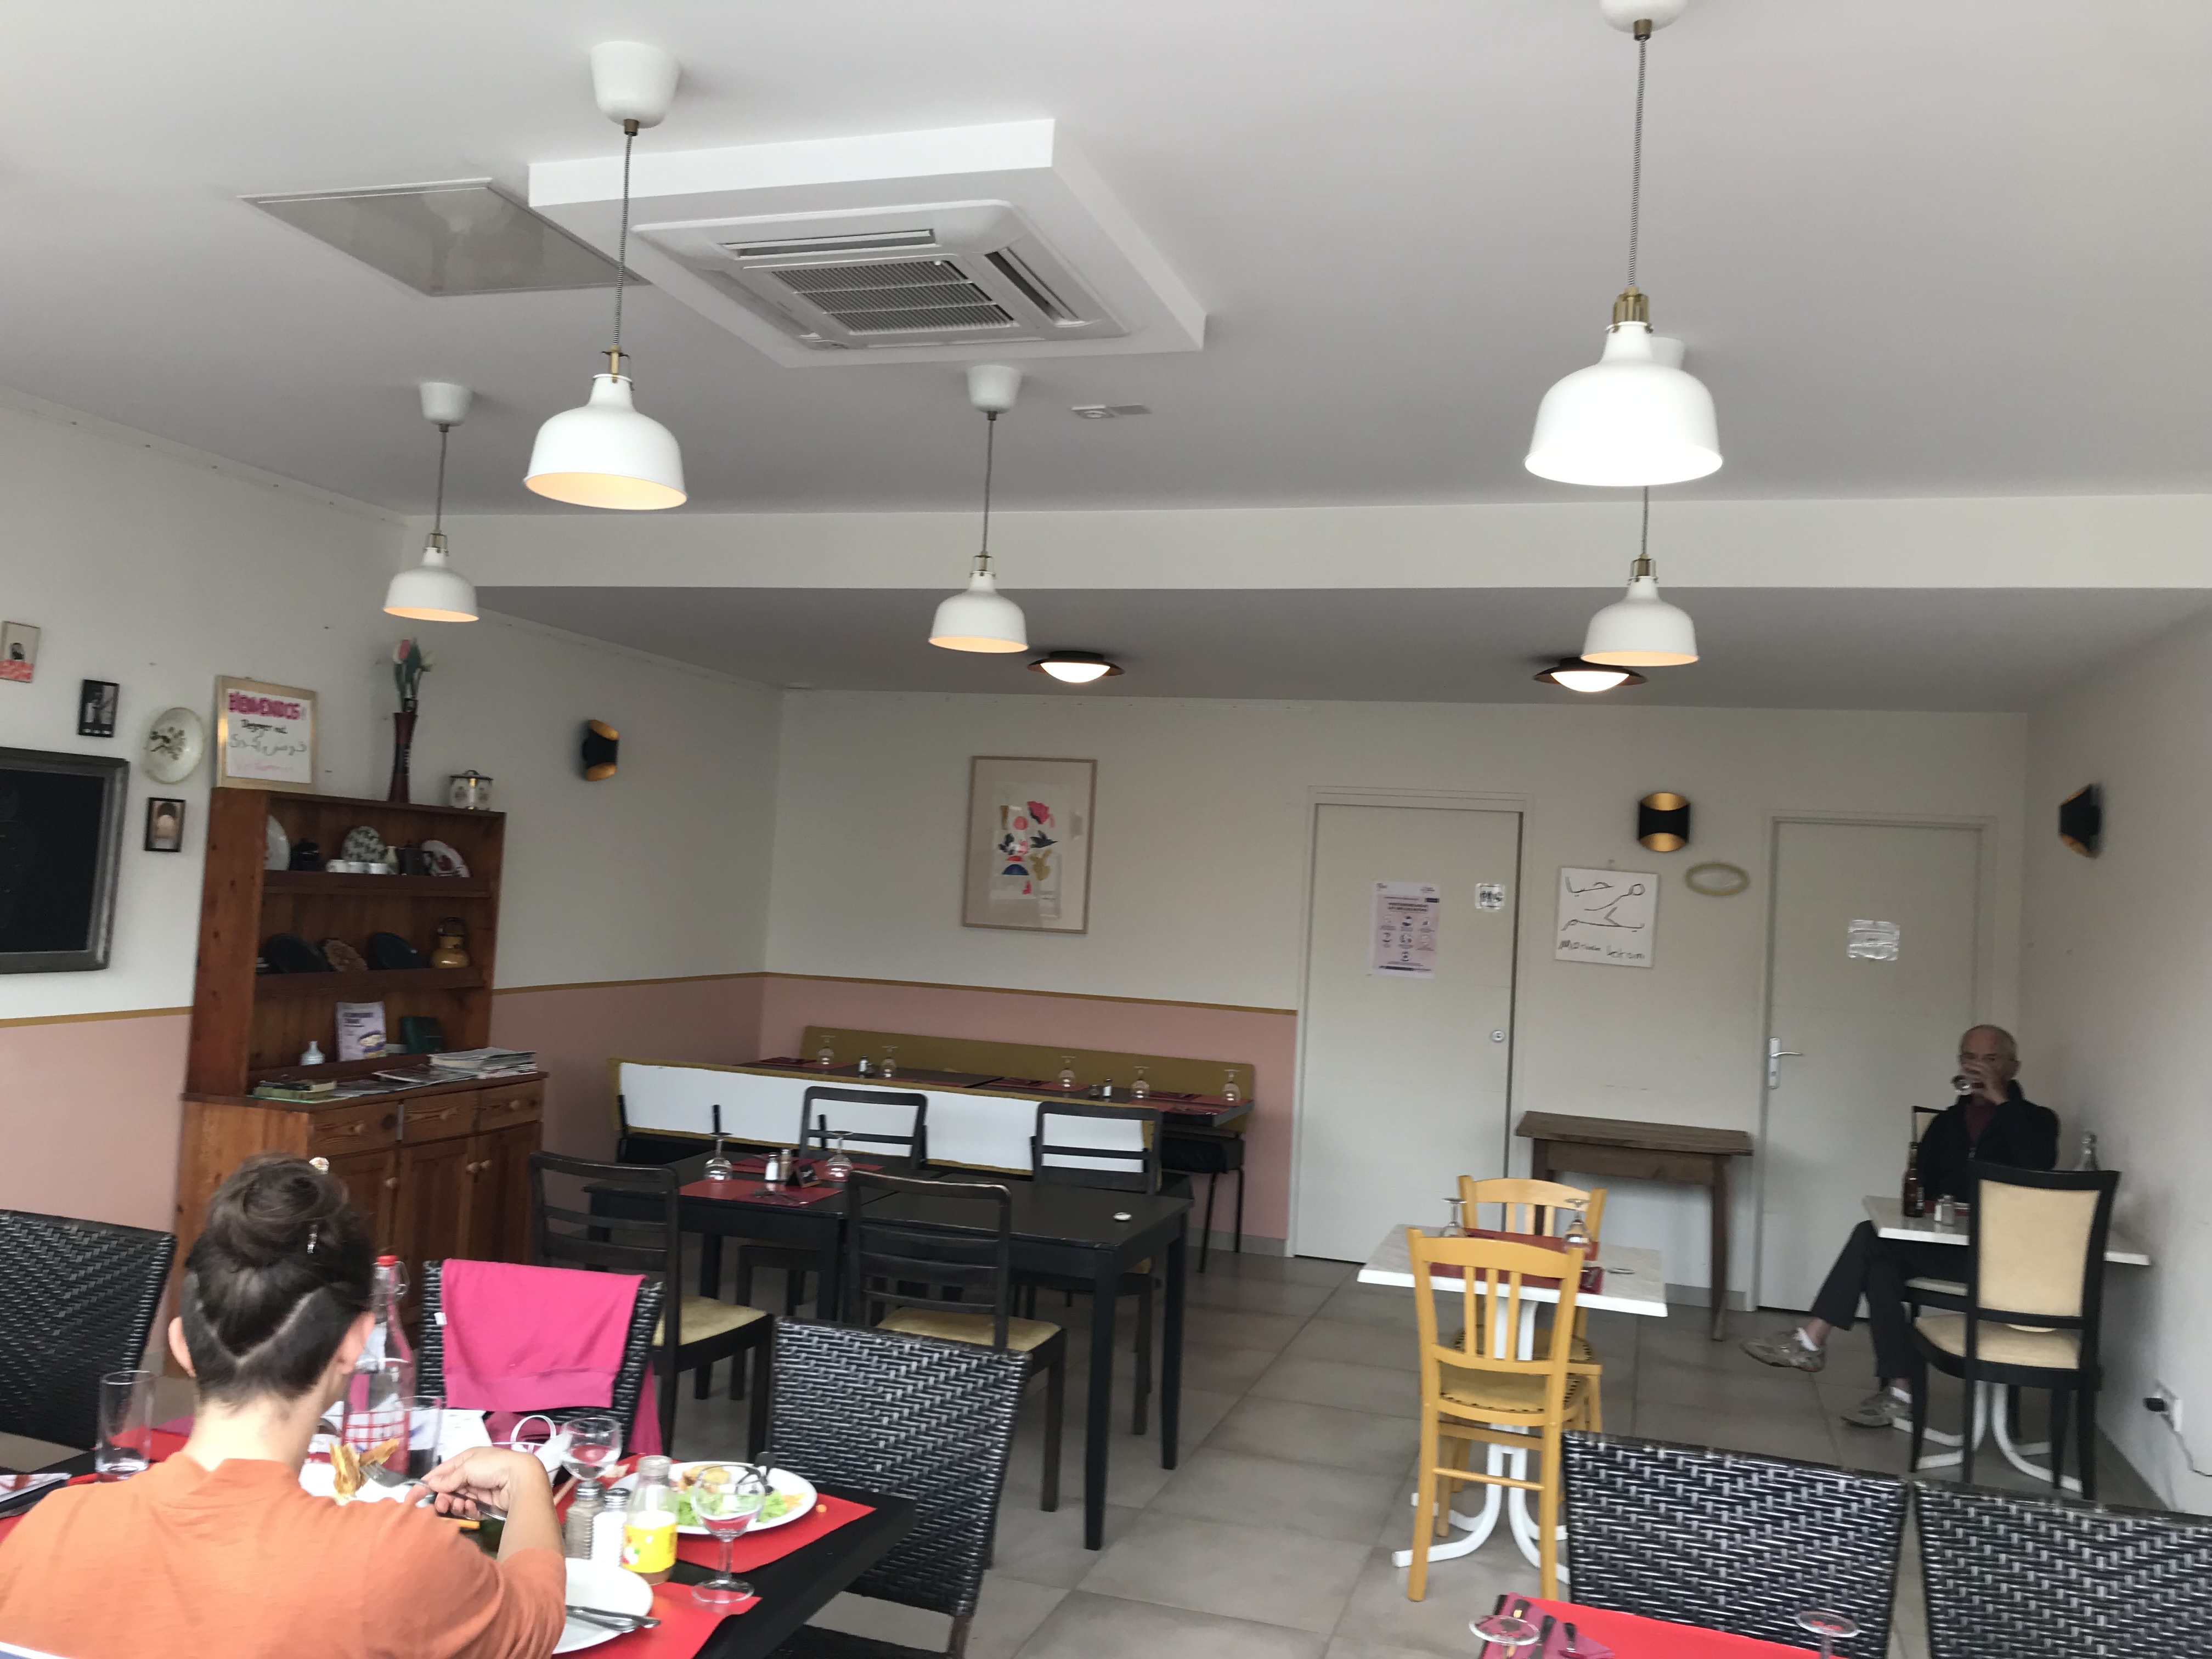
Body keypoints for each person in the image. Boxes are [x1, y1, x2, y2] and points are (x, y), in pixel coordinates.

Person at [0, 1154, 565, 1659]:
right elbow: (535, 1619)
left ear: (182, 1346)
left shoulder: (48, 1530)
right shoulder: (391, 1557)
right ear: (354, 1344)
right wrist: (527, 1481)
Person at [1740, 1024, 2058, 1428]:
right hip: (1950, 1246)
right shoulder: (1946, 1124)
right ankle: (1899, 1390)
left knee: (1868, 1240)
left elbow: (2038, 1167)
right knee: (1880, 1266)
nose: (1978, 1067)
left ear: (2013, 1068)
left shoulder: (2039, 1121)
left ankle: (1815, 1341)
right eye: (1970, 1058)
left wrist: (2002, 1102)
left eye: (1990, 1059)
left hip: (2003, 1258)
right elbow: (1919, 1188)